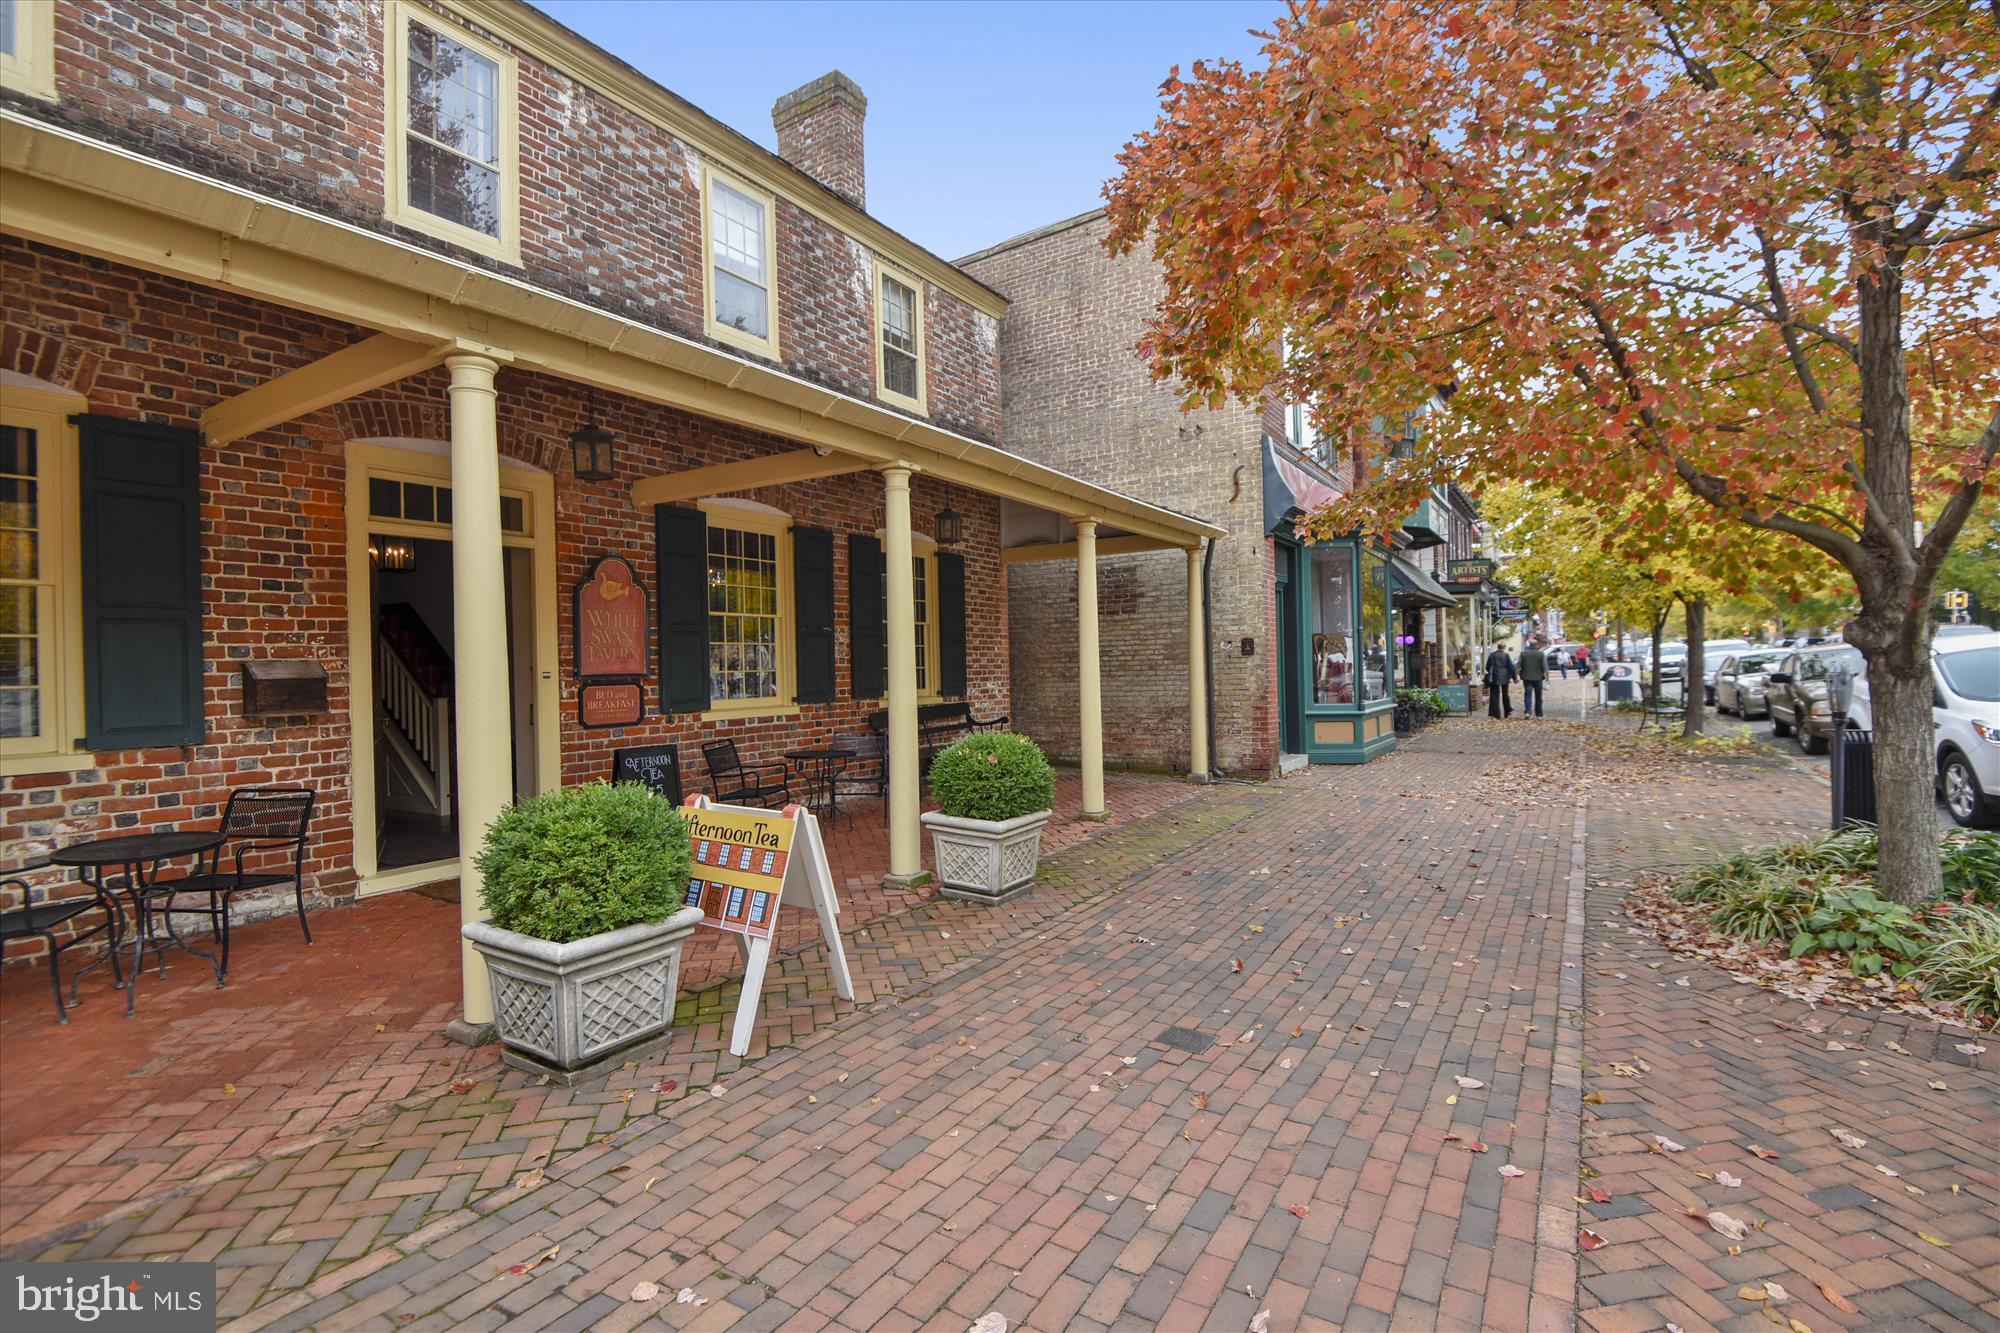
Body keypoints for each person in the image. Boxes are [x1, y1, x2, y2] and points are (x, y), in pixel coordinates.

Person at [1484, 643, 1517, 718]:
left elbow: (1487, 666)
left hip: (1494, 677)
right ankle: (1507, 711)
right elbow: (1511, 667)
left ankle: (1496, 713)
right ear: (1504, 647)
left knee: (1494, 695)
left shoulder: (1492, 655)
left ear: (1497, 647)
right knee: (1505, 694)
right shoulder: (1506, 655)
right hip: (1505, 677)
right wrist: (1514, 678)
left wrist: (1490, 671)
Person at [1518, 637, 1548, 717]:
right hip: (1538, 678)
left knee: (1527, 695)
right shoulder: (1541, 654)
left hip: (1527, 677)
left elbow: (1518, 666)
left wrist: (1516, 676)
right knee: (1538, 696)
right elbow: (1545, 667)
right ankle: (1539, 713)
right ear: (1537, 645)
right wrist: (1547, 677)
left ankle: (1527, 711)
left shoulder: (1523, 654)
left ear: (1529, 645)